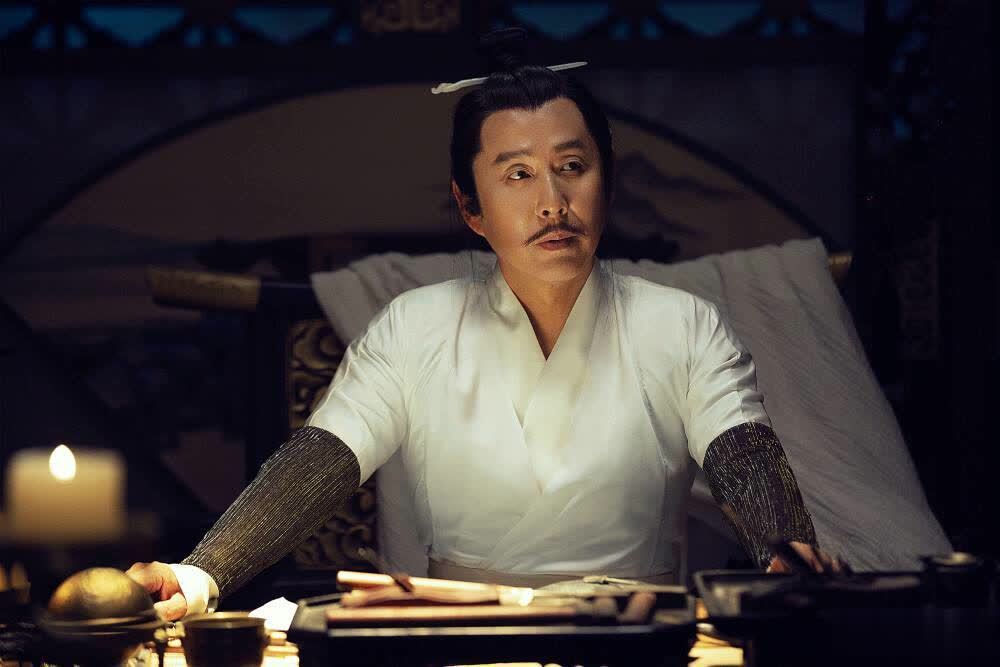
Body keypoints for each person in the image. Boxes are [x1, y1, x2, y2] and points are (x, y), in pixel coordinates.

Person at [127, 30, 842, 621]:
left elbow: (741, 449)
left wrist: (783, 549)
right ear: (471, 207)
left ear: (606, 181)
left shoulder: (684, 325)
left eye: (572, 166)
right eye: (518, 174)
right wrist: (200, 573)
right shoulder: (414, 327)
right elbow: (324, 457)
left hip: (632, 634)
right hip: (453, 634)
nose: (553, 201)